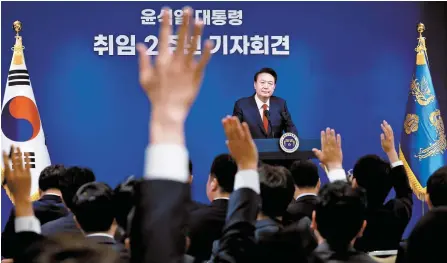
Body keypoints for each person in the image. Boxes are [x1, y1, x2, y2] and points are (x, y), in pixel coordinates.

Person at [233, 67, 298, 139]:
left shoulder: (280, 104)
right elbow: (235, 134)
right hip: (252, 149)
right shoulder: (241, 105)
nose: (266, 87)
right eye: (262, 82)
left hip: (276, 149)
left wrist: (293, 140)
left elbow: (290, 128)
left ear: (274, 87)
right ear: (255, 84)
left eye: (270, 83)